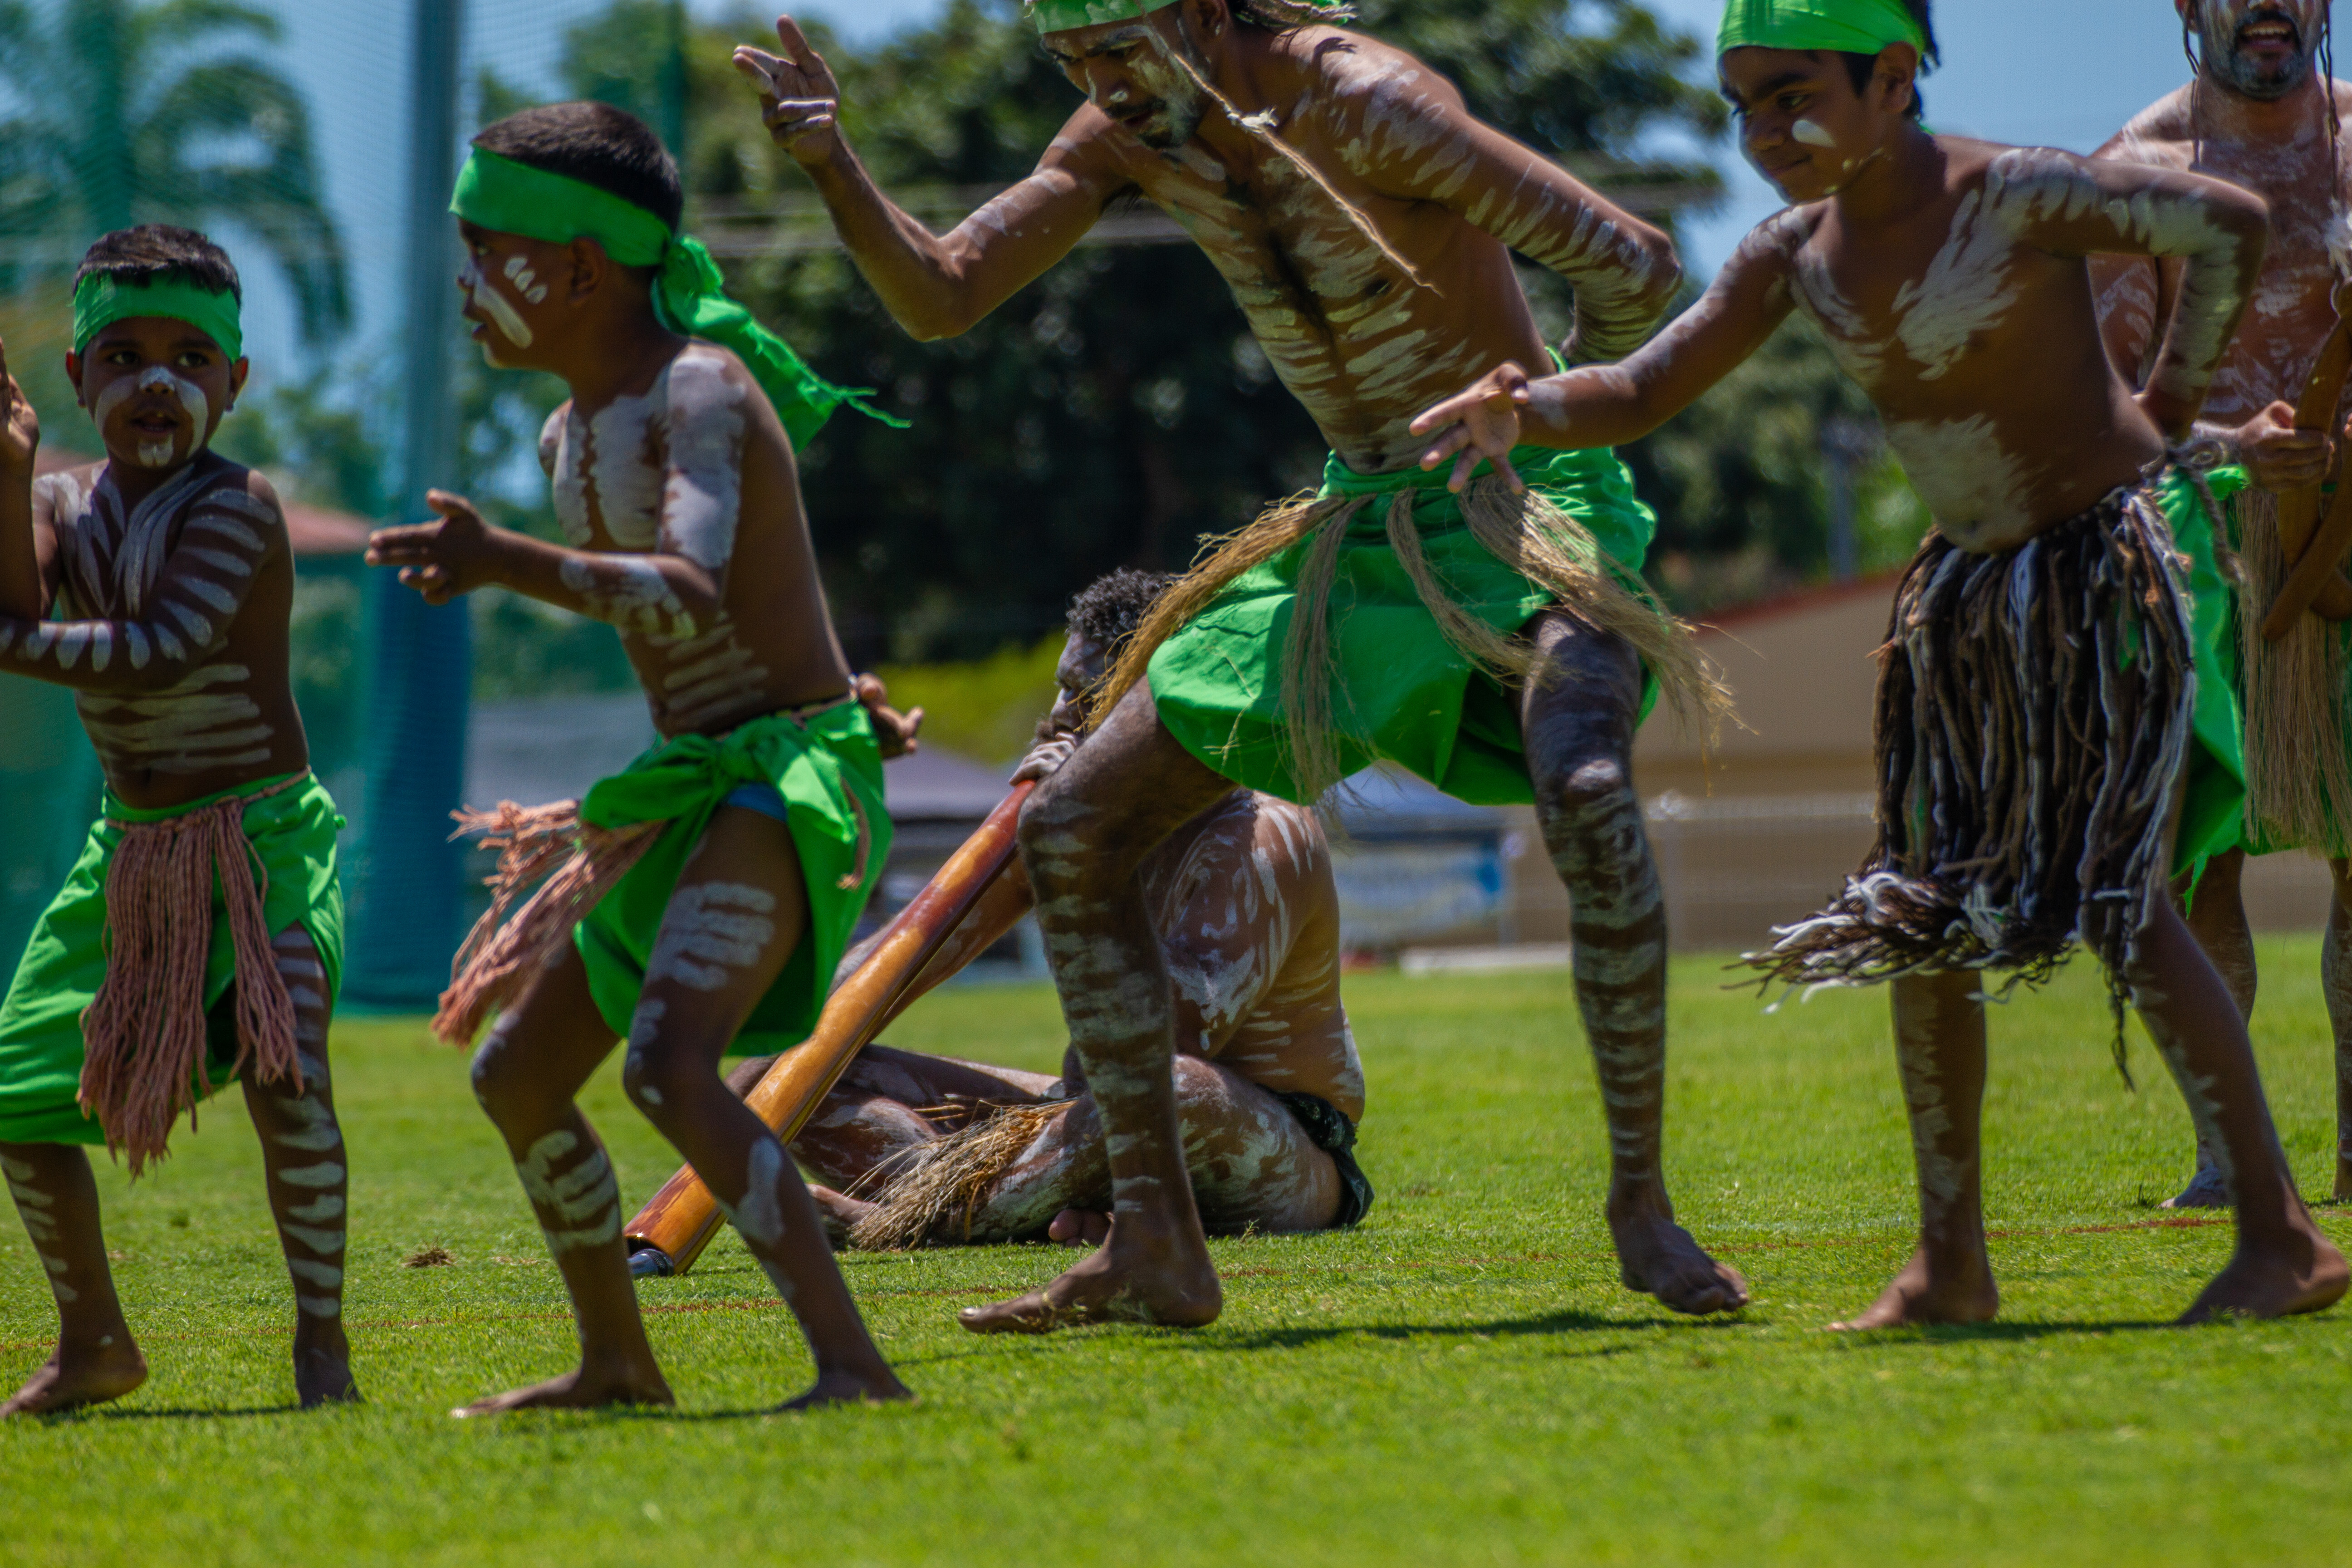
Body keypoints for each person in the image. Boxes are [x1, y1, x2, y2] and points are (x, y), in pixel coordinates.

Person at [734, 0, 1747, 1334]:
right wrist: (830, 164)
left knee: (1590, 786)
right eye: (1075, 63)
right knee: (1077, 821)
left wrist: (1543, 404)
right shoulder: (1121, 132)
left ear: (1209, 11)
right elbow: (942, 293)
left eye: (1123, 51)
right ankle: (1154, 1240)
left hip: (1521, 501)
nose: (1104, 86)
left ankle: (1641, 1208)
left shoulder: (1367, 101)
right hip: (1356, 532)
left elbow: (1635, 264)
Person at [1411, 0, 2348, 1326]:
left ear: (1892, 77)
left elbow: (2231, 225)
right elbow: (1643, 388)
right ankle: (1949, 1263)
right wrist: (1526, 405)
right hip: (1964, 607)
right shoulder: (1799, 253)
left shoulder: (2012, 193)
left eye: (1792, 94)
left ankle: (2282, 1240)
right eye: (1741, 104)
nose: (1762, 130)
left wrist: (2168, 413)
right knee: (1924, 920)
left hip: (2093, 581)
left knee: (2122, 902)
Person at [365, 102, 910, 1413]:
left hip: (784, 779)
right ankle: (618, 1363)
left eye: (488, 249)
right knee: (519, 1074)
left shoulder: (700, 389)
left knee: (669, 1068)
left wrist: (506, 562)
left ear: (579, 265)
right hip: (698, 785)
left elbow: (689, 584)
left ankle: (855, 1369)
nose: (467, 284)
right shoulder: (566, 432)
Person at [721, 568, 1368, 1254]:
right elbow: (883, 979)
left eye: (1088, 698)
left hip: (1273, 1145)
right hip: (1090, 1127)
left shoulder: (1260, 832)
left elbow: (1141, 1059)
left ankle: (927, 1217)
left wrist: (1077, 853)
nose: (1058, 716)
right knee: (801, 1071)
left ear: (1156, 712)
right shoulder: (1060, 825)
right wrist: (771, 1068)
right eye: (1061, 687)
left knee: (1177, 1089)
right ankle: (983, 1196)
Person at [0, 225, 355, 1415]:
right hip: (131, 857)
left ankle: (323, 1354)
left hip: (262, 845)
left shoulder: (242, 507)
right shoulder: (56, 499)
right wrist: (7, 479)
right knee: (12, 1097)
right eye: (129, 355)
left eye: (193, 358)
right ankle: (95, 1340)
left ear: (236, 382)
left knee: (288, 1071)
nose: (161, 382)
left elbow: (155, 653)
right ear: (80, 378)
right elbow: (22, 598)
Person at [2091, 0, 2352, 1208]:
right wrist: (2232, 440)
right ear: (2186, 7)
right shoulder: (2135, 176)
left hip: (2347, 545)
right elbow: (2109, 408)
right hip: (2204, 551)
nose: (2266, 6)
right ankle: (2228, 1155)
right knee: (2198, 865)